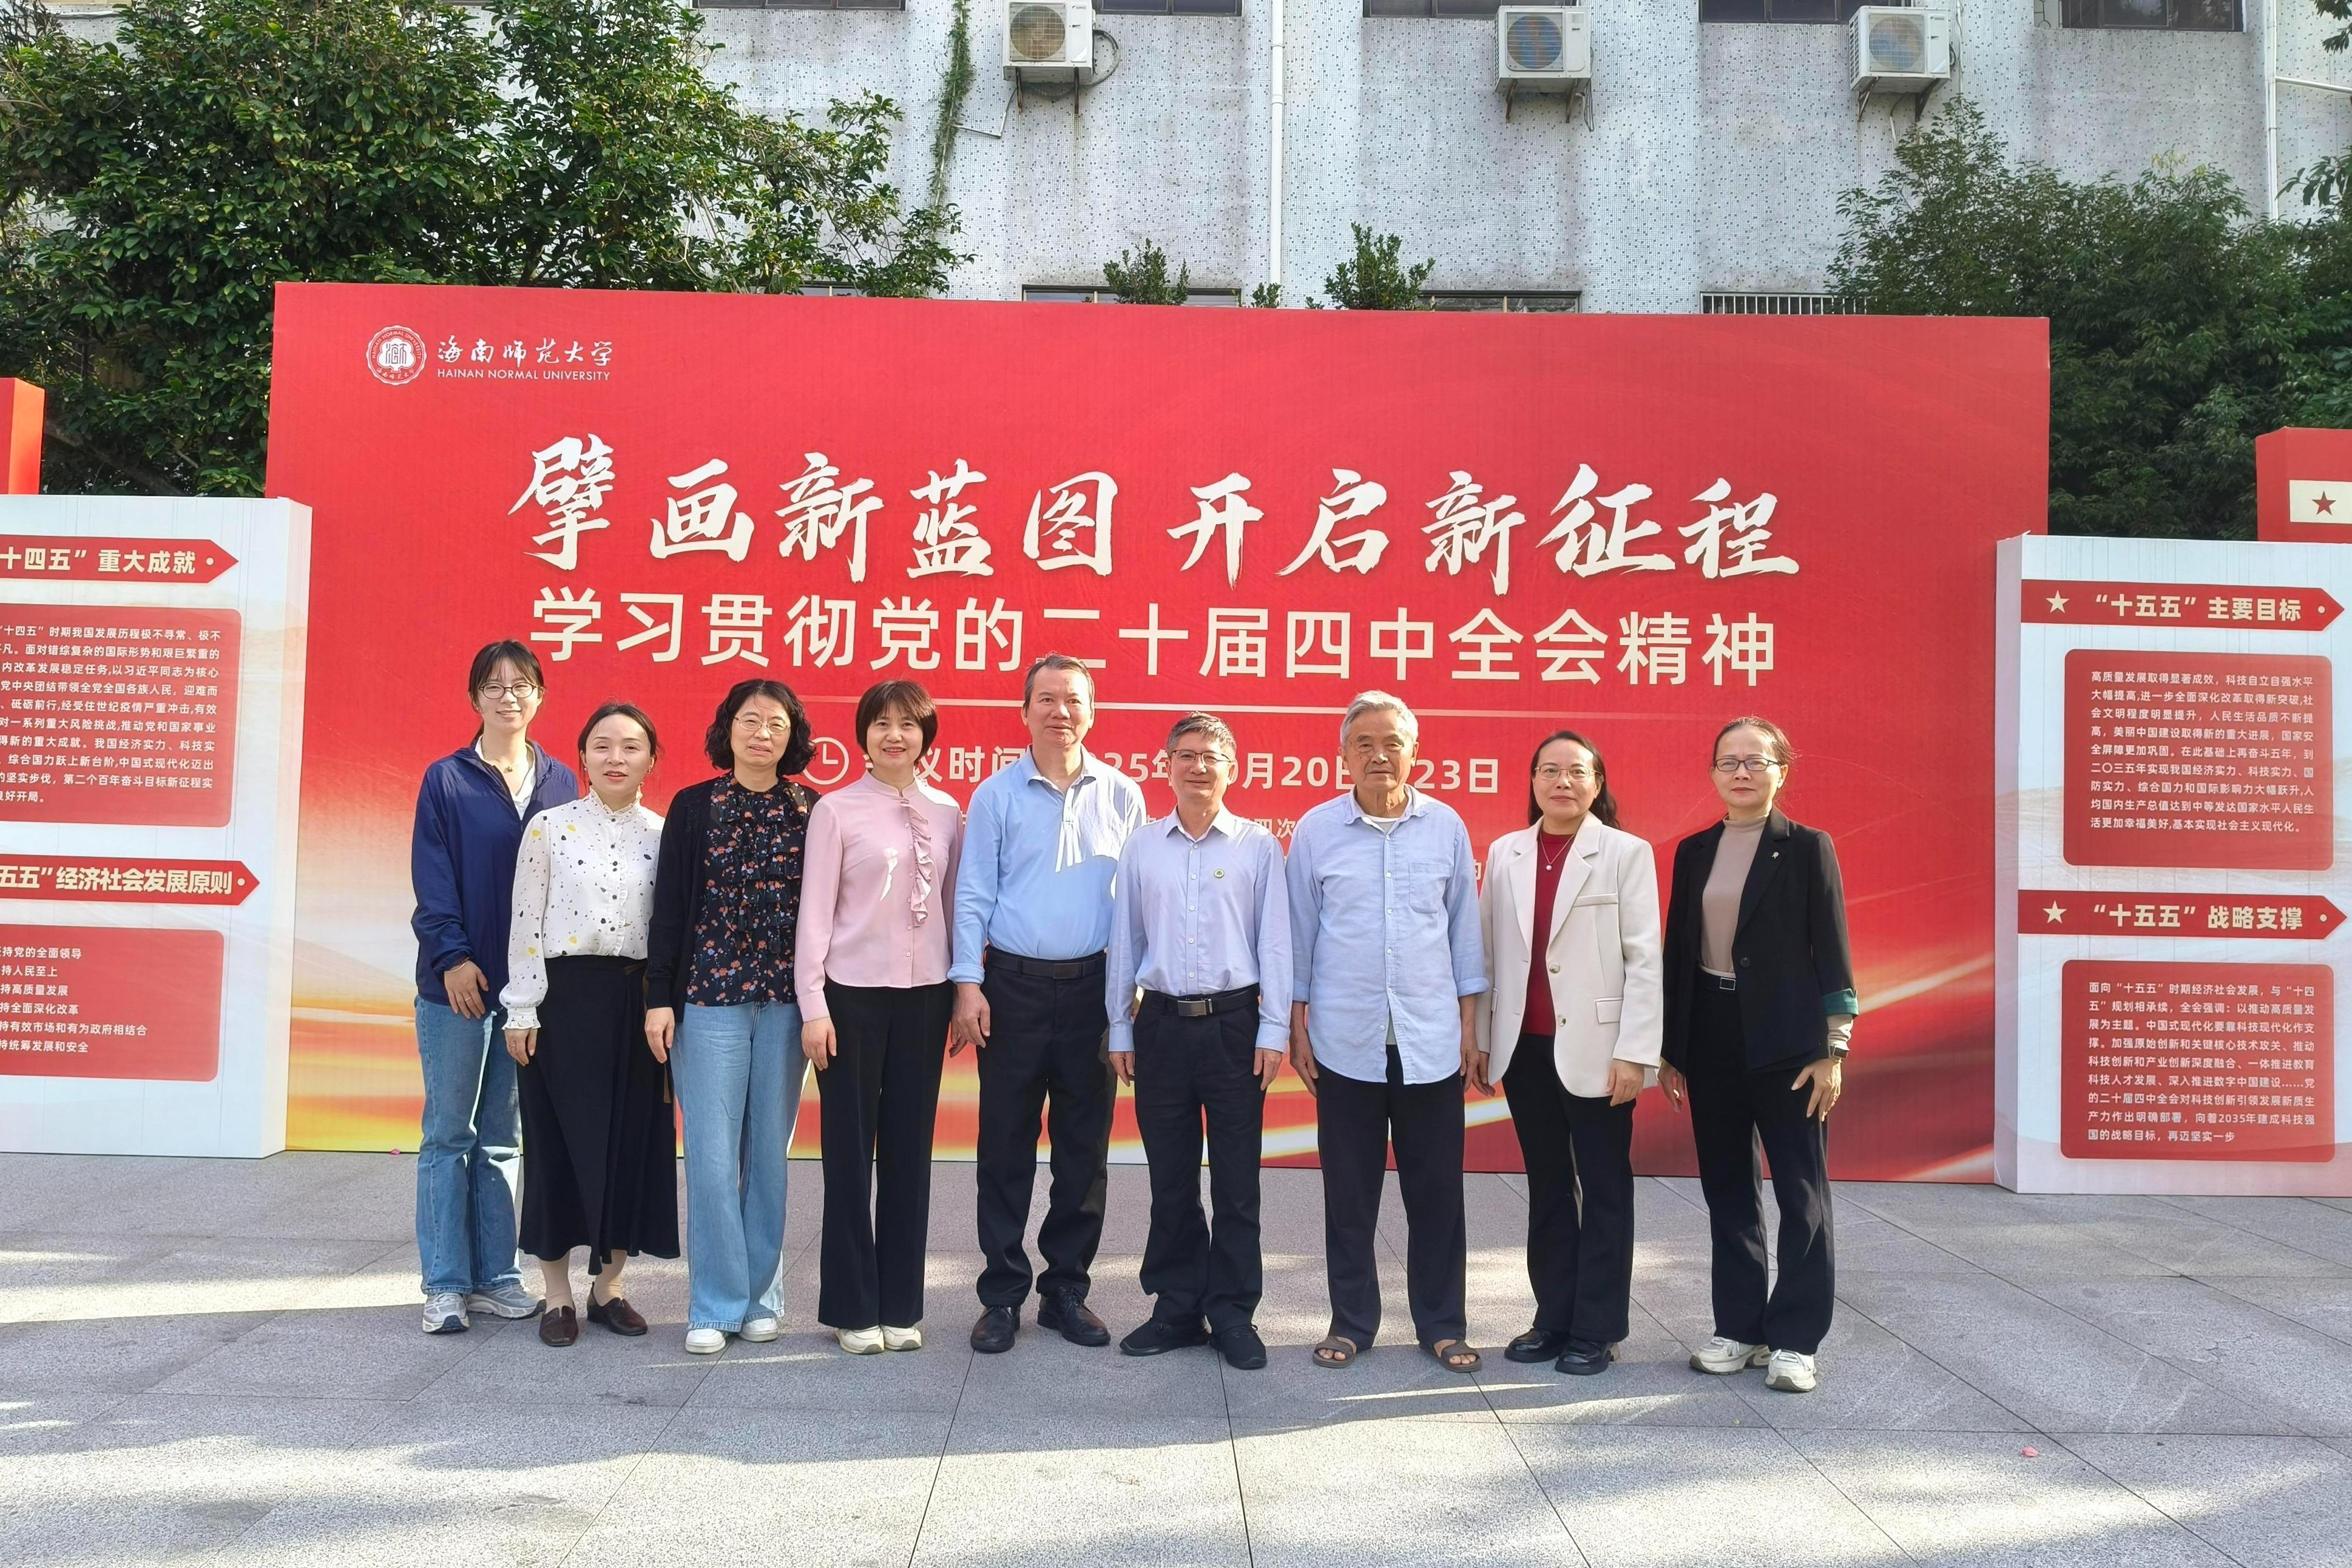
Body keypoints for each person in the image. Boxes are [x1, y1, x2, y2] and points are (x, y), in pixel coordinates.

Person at [951, 654, 1147, 1354]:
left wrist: (1129, 995)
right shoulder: (996, 795)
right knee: (1004, 1145)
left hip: (1095, 990)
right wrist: (966, 983)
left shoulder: (1123, 794)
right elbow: (973, 892)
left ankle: (1066, 1288)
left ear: (1091, 712)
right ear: (1025, 711)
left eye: (1073, 700)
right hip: (1011, 989)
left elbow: (1135, 903)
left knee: (1083, 1151)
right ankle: (1002, 1293)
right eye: (1047, 699)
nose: (1060, 712)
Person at [1286, 692, 1488, 1373]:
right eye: (1364, 744)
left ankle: (1443, 1323)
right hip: (1345, 1041)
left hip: (1431, 1042)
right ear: (1343, 756)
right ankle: (1352, 1321)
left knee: (1438, 1193)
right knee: (1350, 1194)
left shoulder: (1446, 826)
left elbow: (1464, 933)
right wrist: (1297, 1026)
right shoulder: (1316, 830)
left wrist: (1470, 1026)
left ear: (1415, 752)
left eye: (1392, 743)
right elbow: (1299, 936)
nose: (1379, 755)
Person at [1658, 717, 1857, 1396]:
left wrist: (1833, 1048)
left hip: (1789, 1042)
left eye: (1756, 761)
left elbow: (1833, 949)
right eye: (1729, 762)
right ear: (1713, 773)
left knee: (1802, 1193)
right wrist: (1671, 1048)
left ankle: (1796, 1340)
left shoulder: (1807, 848)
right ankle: (1740, 1328)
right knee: (1727, 1188)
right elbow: (1679, 952)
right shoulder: (1694, 851)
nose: (1741, 772)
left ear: (1781, 771)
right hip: (1711, 1034)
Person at [1473, 731, 1662, 1377]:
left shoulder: (1626, 853)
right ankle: (1552, 1318)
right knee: (1548, 1185)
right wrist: (1482, 1039)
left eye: (1576, 772)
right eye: (1549, 771)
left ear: (1597, 783)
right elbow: (1488, 952)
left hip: (1600, 1050)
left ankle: (1597, 1329)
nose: (1562, 782)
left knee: (1605, 1186)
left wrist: (1635, 1052)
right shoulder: (1506, 852)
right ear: (1532, 782)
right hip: (1524, 1048)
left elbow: (1645, 958)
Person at [1105, 714, 1290, 1372]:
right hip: (1159, 1025)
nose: (1198, 767)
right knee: (1172, 1178)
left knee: (1237, 1181)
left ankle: (1234, 1312)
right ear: (1167, 766)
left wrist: (1274, 1029)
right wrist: (1119, 1024)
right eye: (1185, 755)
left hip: (1235, 1026)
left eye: (1211, 756)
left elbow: (1276, 941)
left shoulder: (1258, 846)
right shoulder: (1142, 847)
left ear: (1233, 768)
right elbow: (1125, 940)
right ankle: (1177, 1307)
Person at [408, 640, 577, 1336]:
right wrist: (452, 957)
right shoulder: (446, 779)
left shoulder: (562, 780)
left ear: (540, 695)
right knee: (451, 1135)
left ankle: (498, 1276)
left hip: (525, 994)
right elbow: (432, 878)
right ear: (474, 697)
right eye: (494, 685)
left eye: (522, 685)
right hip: (456, 987)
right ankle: (446, 1284)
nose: (509, 696)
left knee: (504, 1139)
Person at [646, 679, 819, 1356]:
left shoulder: (813, 810)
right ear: (728, 729)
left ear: (792, 735)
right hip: (709, 1000)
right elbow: (668, 908)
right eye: (750, 720)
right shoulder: (695, 807)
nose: (762, 734)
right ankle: (715, 1304)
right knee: (713, 1159)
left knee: (768, 1156)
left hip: (785, 1005)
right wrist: (659, 996)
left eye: (776, 723)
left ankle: (761, 1299)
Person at [501, 703, 677, 1348]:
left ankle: (610, 1287)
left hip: (638, 1003)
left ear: (651, 759)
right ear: (582, 757)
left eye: (631, 746)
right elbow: (526, 920)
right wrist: (523, 1007)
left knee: (631, 1142)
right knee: (556, 1144)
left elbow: (670, 929)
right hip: (563, 1003)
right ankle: (557, 1294)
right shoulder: (550, 828)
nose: (615, 758)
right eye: (602, 745)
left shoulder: (665, 834)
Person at [797, 680, 963, 1356]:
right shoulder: (836, 811)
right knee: (847, 1153)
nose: (895, 736)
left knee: (909, 1155)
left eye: (908, 725)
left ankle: (900, 1304)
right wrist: (813, 1005)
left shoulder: (948, 811)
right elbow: (814, 914)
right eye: (881, 724)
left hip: (925, 999)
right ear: (863, 734)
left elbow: (952, 908)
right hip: (851, 998)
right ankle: (850, 1307)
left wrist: (961, 991)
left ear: (926, 736)